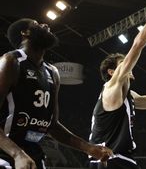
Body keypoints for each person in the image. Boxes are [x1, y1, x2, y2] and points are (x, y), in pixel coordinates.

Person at [0, 18, 113, 169]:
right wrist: (17, 154)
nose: (45, 25)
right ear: (25, 33)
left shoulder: (52, 72)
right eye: (37, 24)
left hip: (32, 153)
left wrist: (89, 148)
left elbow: (52, 126)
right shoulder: (11, 61)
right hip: (5, 151)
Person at [89, 0, 146, 169]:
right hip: (107, 159)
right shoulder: (112, 87)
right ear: (112, 72)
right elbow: (137, 44)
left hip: (120, 159)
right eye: (123, 63)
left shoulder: (129, 95)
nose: (129, 64)